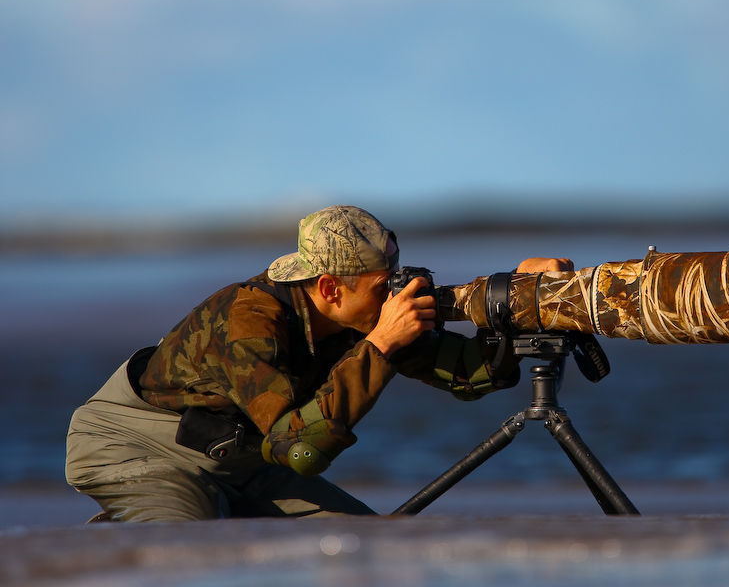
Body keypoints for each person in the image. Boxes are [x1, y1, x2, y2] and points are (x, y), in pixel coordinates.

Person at [65, 205, 574, 522]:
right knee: (185, 555)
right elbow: (300, 449)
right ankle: (120, 532)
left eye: (398, 274)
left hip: (247, 459)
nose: (397, 292)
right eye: (385, 284)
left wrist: (521, 302)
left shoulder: (362, 313)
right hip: (140, 444)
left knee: (363, 553)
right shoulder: (248, 319)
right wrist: (380, 347)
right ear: (330, 288)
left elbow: (471, 375)